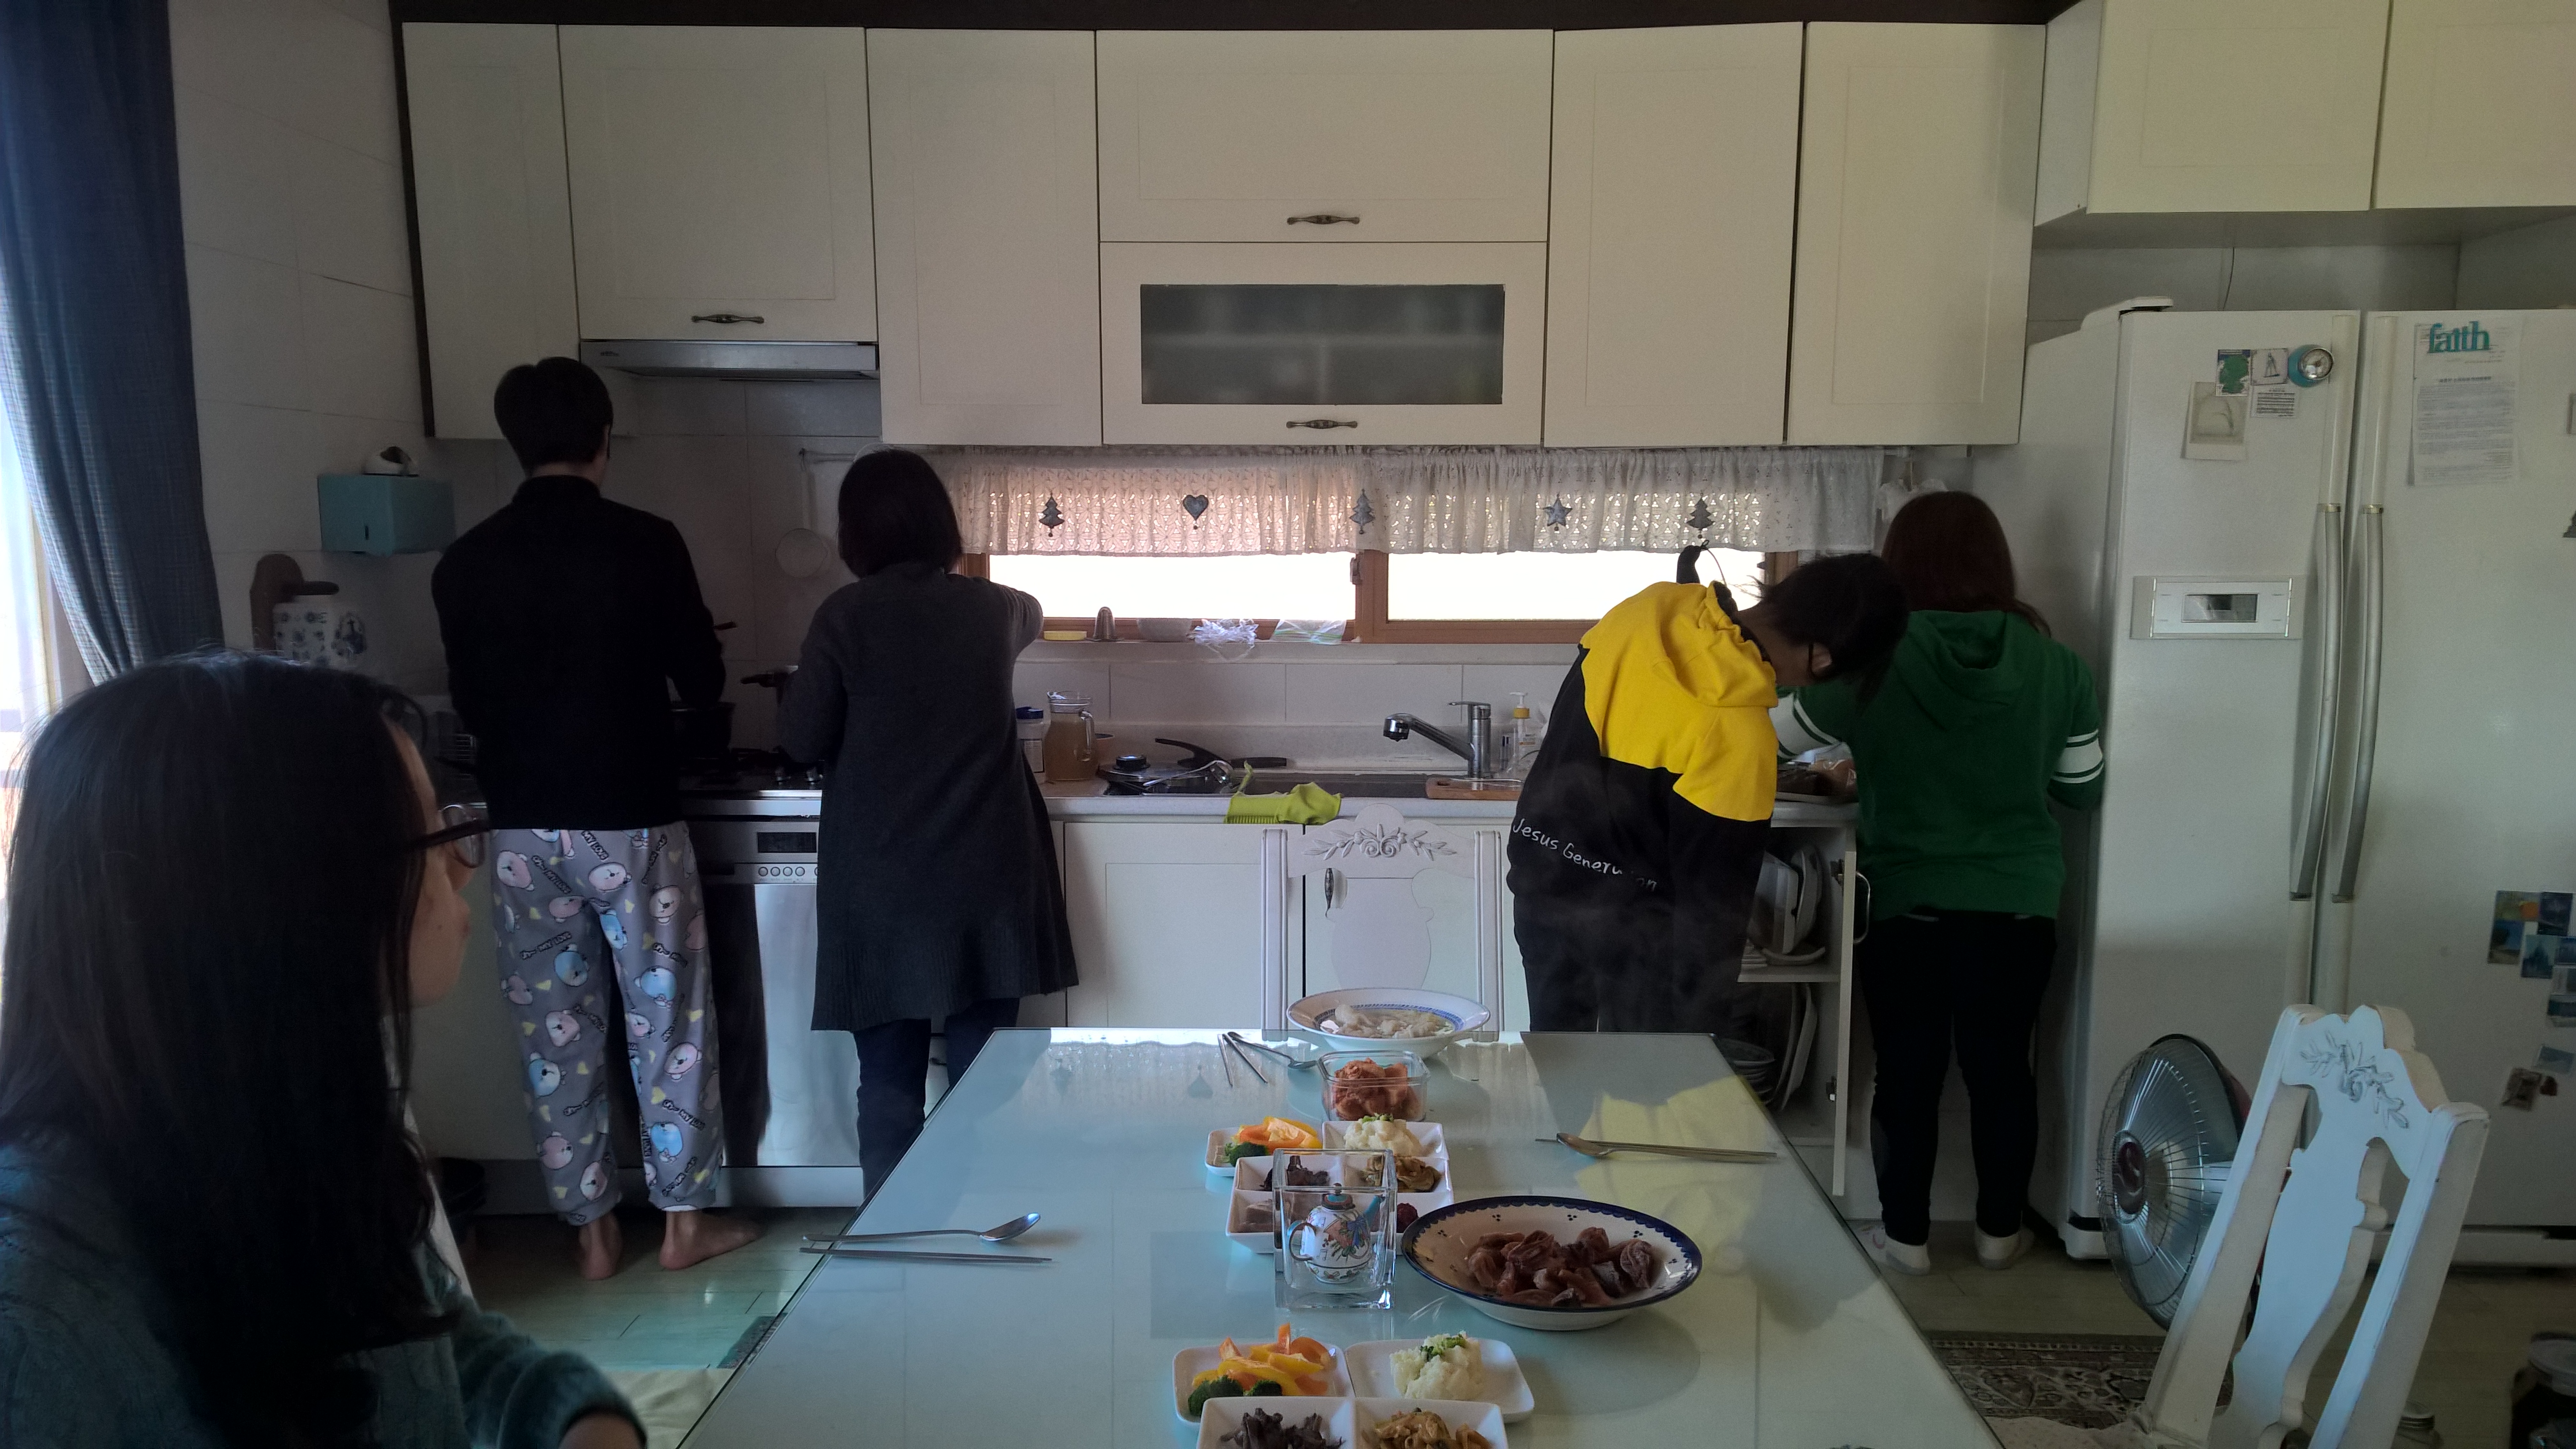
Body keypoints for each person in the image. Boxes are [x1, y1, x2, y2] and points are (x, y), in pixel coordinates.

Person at [0, 654, 643, 1448]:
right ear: (293, 890)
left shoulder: (294, 1139)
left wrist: (576, 1417)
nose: (462, 868)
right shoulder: (36, 1320)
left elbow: (430, 1353)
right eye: (436, 835)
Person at [432, 356, 759, 1278]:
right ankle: (684, 1225)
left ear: (514, 442)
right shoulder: (646, 541)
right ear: (604, 438)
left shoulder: (464, 562)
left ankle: (592, 1233)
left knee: (554, 1032)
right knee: (668, 1020)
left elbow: (471, 700)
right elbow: (702, 678)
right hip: (632, 819)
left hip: (523, 829)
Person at [1772, 492, 2105, 1276]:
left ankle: (1907, 1239)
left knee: (1907, 1072)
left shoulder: (1877, 657)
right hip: (2019, 904)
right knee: (2003, 1070)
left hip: (1908, 903)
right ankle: (1998, 1233)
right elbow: (2081, 787)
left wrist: (1871, 757)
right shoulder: (2058, 665)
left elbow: (1777, 734)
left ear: (1898, 564)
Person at [778, 448, 1076, 1197]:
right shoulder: (996, 609)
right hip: (988, 877)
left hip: (883, 883)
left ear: (854, 534)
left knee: (888, 1079)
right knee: (985, 1074)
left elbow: (801, 739)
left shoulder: (844, 616)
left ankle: (895, 1233)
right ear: (944, 526)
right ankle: (972, 1212)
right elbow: (1035, 611)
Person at [1509, 553, 1910, 1035]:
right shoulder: (1739, 736)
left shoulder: (1644, 612)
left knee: (1558, 1060)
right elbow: (1713, 908)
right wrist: (1701, 1034)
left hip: (1544, 884)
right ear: (1823, 659)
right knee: (1642, 1078)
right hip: (1639, 934)